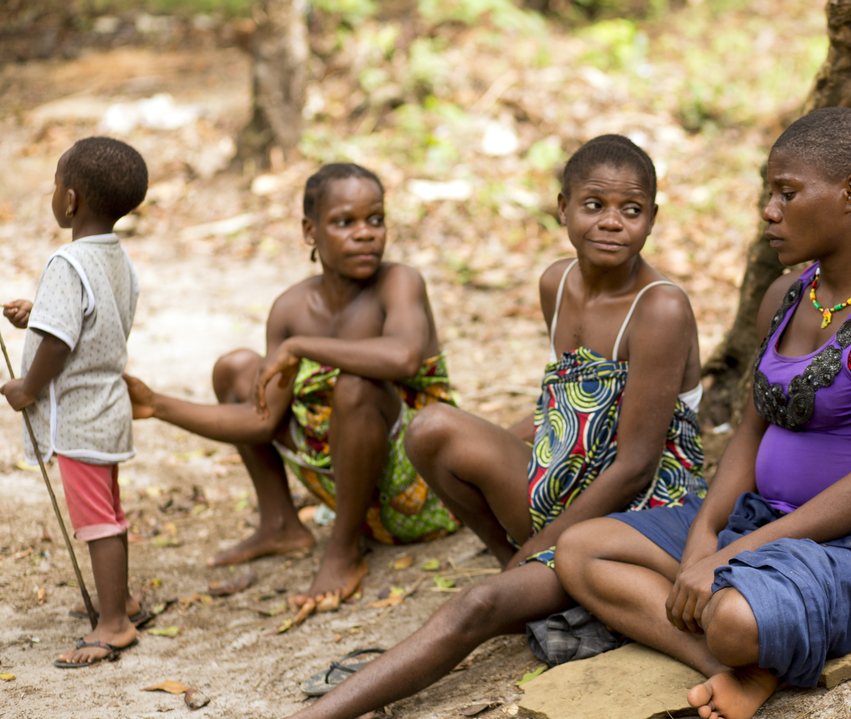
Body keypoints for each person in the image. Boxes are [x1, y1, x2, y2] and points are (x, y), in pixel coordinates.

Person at [281, 134, 705, 717]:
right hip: (564, 491)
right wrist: (528, 536)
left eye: (631, 210)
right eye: (593, 206)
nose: (611, 223)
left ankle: (321, 712)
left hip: (634, 519)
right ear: (562, 208)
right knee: (430, 428)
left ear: (652, 219)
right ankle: (530, 587)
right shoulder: (557, 283)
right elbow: (571, 408)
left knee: (475, 605)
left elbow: (634, 466)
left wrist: (535, 551)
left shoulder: (659, 307)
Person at [555, 107, 851, 719]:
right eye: (769, 192)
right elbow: (748, 433)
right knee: (581, 550)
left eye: (786, 193)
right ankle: (732, 670)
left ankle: (739, 643)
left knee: (734, 617)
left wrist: (725, 560)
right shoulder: (786, 296)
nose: (769, 210)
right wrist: (707, 534)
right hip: (762, 520)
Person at [124, 163, 459, 609]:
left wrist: (303, 347)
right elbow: (260, 420)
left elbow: (404, 356)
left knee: (356, 384)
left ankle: (342, 552)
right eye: (345, 222)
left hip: (420, 490)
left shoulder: (399, 283)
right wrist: (157, 405)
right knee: (237, 368)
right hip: (343, 483)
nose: (366, 234)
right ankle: (280, 523)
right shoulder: (291, 307)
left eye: (375, 219)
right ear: (310, 231)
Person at [1, 137, 149, 667]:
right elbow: (93, 315)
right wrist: (39, 311)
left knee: (96, 521)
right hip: (107, 407)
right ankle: (123, 601)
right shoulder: (115, 256)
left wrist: (27, 387)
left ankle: (113, 623)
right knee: (109, 512)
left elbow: (62, 341)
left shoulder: (66, 260)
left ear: (70, 200)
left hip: (80, 417)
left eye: (54, 185)